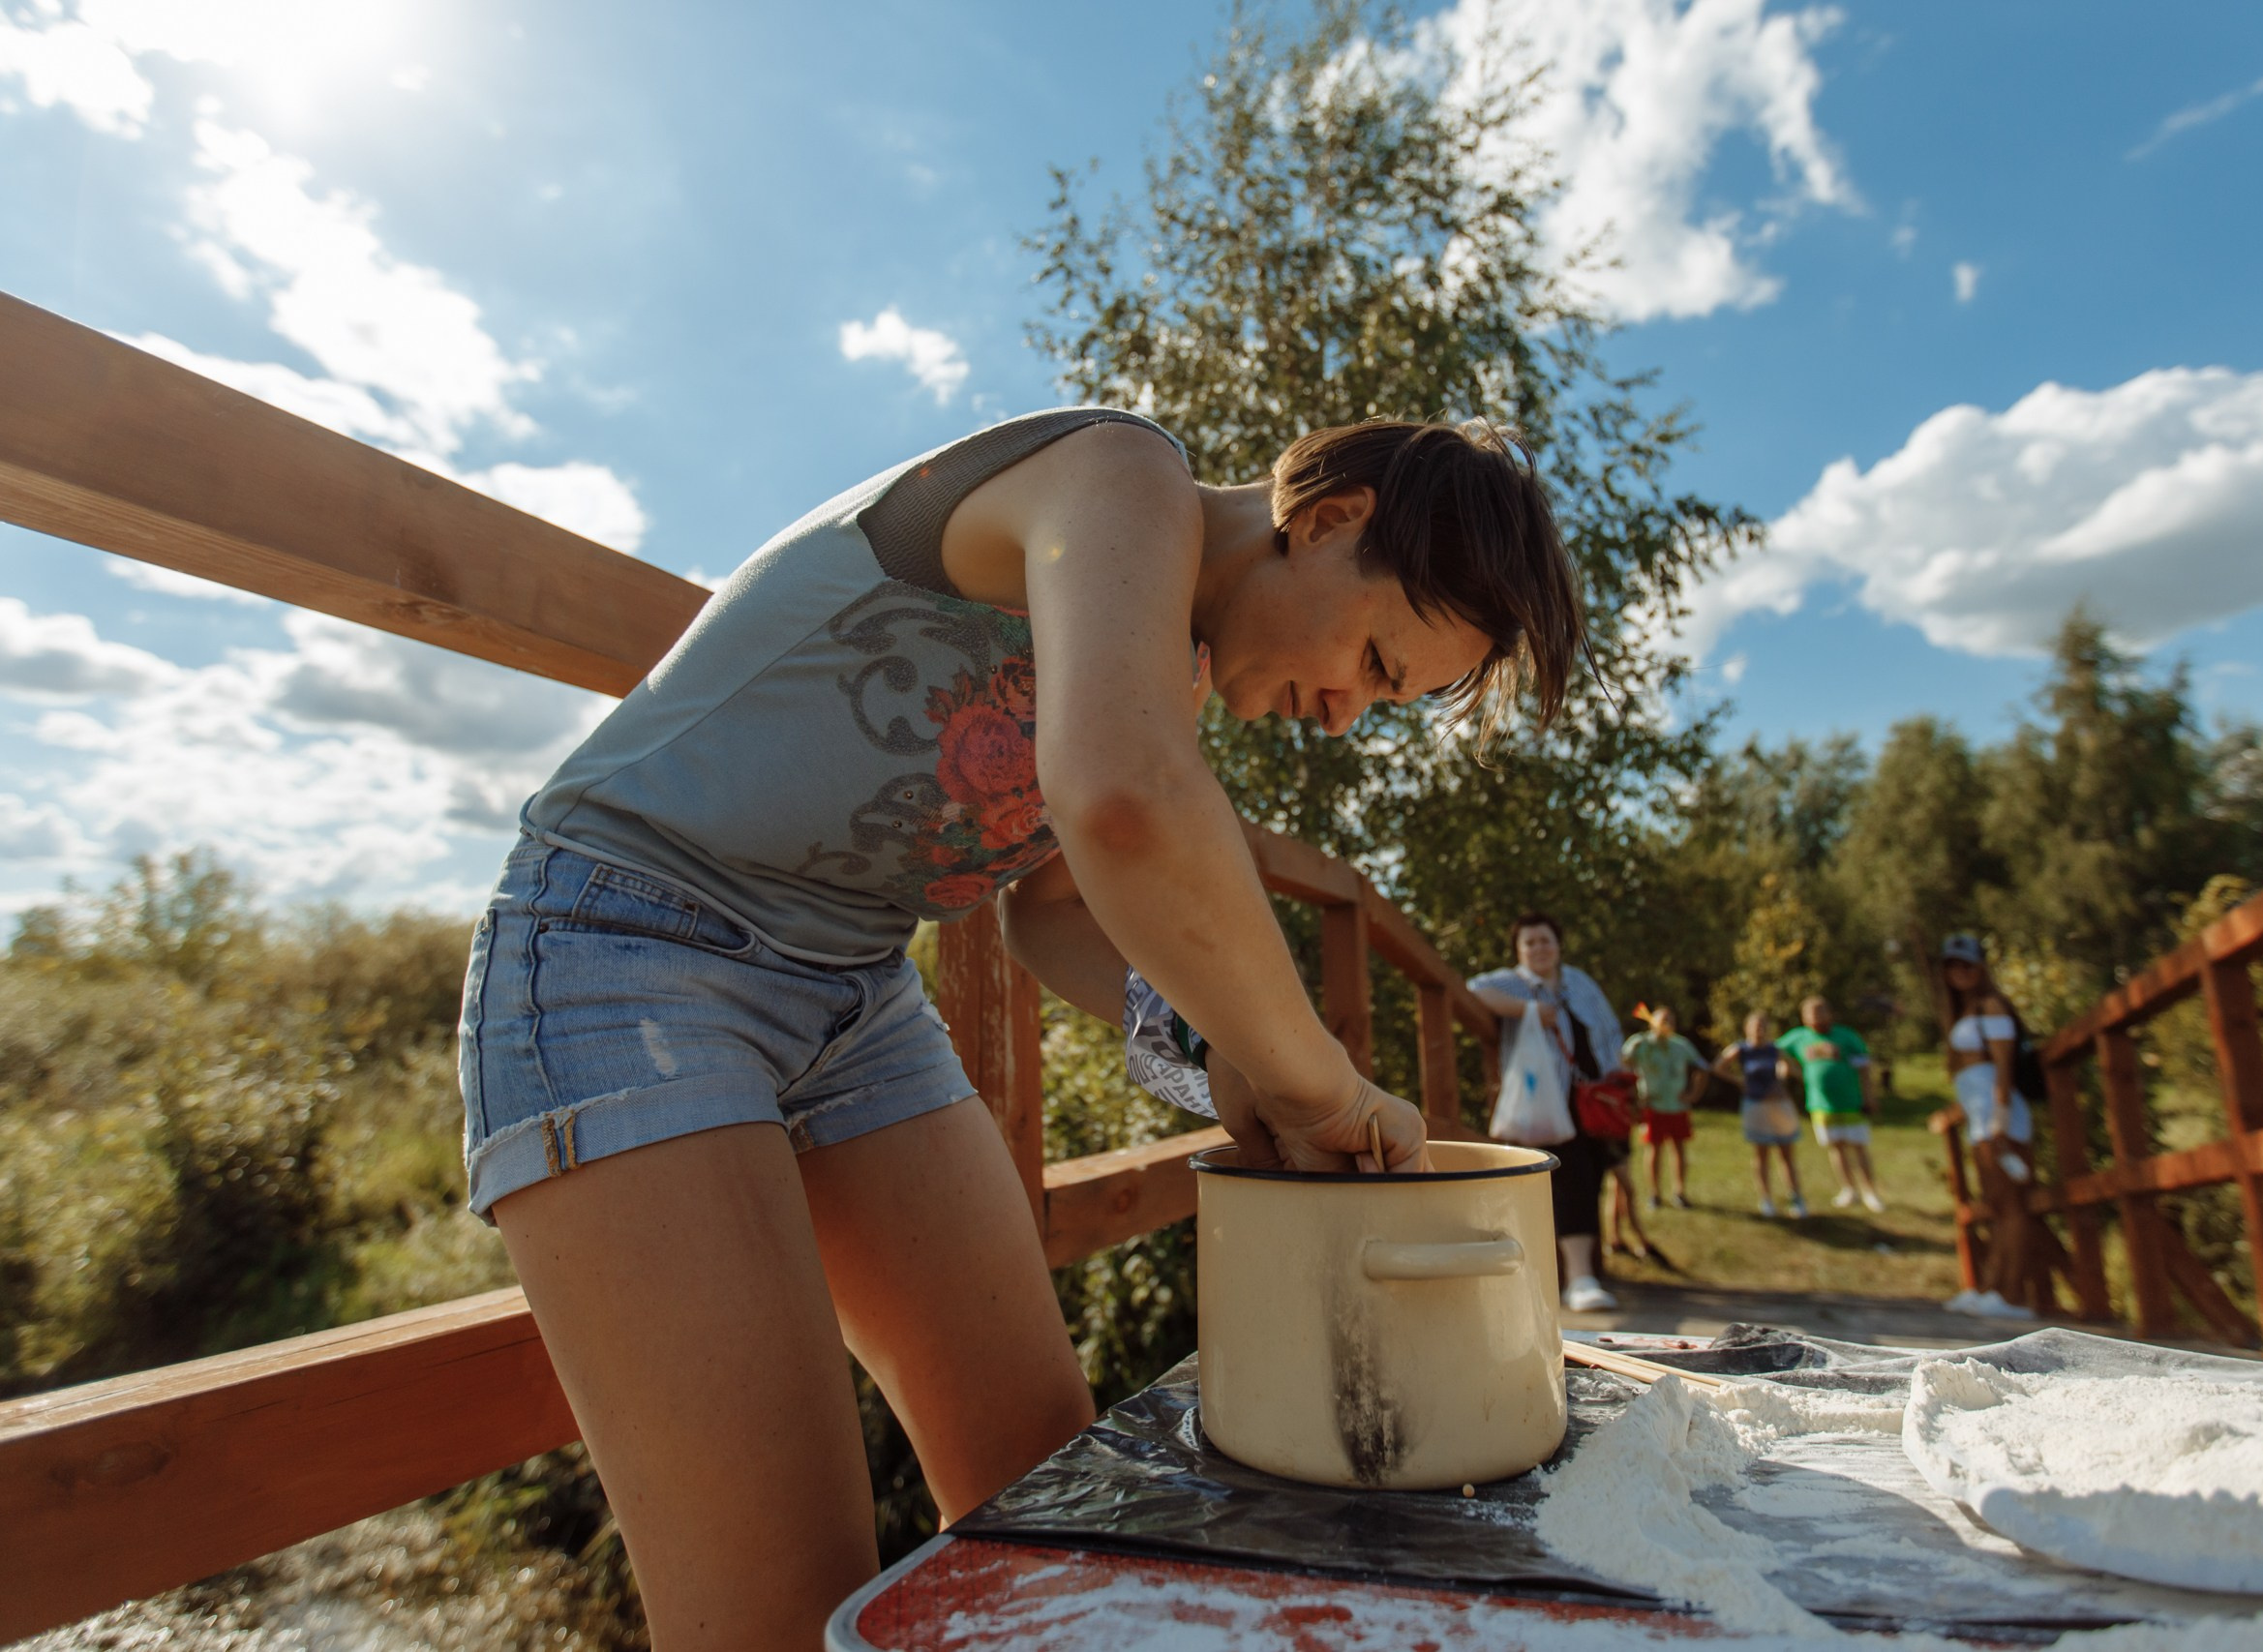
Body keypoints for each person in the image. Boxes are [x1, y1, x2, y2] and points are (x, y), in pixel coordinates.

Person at [458, 408, 1583, 1646]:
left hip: (857, 996)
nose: (1341, 718)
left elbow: (1052, 910)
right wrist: (1318, 1083)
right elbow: (1120, 798)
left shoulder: (1169, 662)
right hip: (627, 949)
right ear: (1326, 519)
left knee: (1043, 1498)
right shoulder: (1122, 473)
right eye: (1374, 664)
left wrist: (1221, 1054)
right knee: (774, 1613)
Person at [1468, 913, 1630, 1310]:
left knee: (1586, 1180)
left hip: (1589, 1101)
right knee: (1539, 1180)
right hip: (1542, 1101)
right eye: (1530, 943)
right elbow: (1472, 991)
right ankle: (1548, 1278)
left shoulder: (1579, 982)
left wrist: (1619, 1080)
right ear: (1519, 950)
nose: (1539, 949)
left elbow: (1608, 1031)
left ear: (1558, 945)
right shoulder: (1516, 983)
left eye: (1545, 940)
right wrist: (1526, 1011)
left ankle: (1579, 1279)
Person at [1939, 933, 2052, 1318]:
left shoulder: (1992, 1006)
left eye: (1967, 965)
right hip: (1978, 1115)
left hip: (1997, 1113)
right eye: (1952, 966)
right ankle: (1990, 1286)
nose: (1959, 972)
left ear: (1981, 968)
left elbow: (2003, 1065)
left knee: (2012, 1205)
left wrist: (2000, 1117)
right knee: (1997, 1205)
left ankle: (2012, 1293)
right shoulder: (1968, 1010)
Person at [1779, 995, 1884, 1213]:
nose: (1816, 1017)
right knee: (1836, 1148)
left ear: (1830, 1013)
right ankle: (1848, 1190)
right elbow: (1773, 1050)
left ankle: (1870, 1192)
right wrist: (1790, 1068)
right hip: (1820, 1105)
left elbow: (1864, 1068)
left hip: (1851, 1101)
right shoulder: (1799, 1038)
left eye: (1820, 1012)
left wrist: (1869, 1096)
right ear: (1804, 1018)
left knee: (1858, 1147)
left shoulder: (1846, 1037)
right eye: (1811, 1013)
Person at [1716, 1011, 1808, 1218]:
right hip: (1756, 1106)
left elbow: (1790, 1068)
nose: (1760, 1030)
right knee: (1762, 1154)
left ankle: (1796, 1197)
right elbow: (1718, 1066)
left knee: (1786, 1154)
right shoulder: (1741, 1049)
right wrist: (1739, 1081)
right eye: (1756, 1026)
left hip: (1780, 1106)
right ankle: (1766, 1199)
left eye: (1763, 1026)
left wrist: (1784, 1078)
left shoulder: (1774, 1050)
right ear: (1747, 1028)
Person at [1620, 1005, 1707, 1209]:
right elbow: (1621, 1064)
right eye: (1663, 1020)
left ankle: (1679, 1192)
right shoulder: (1641, 1044)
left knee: (1678, 1149)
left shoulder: (1681, 1045)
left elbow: (1703, 1069)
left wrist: (1693, 1094)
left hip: (1677, 1106)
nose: (1667, 1024)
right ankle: (1655, 1194)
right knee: (1654, 1150)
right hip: (1653, 1107)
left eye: (1671, 1021)